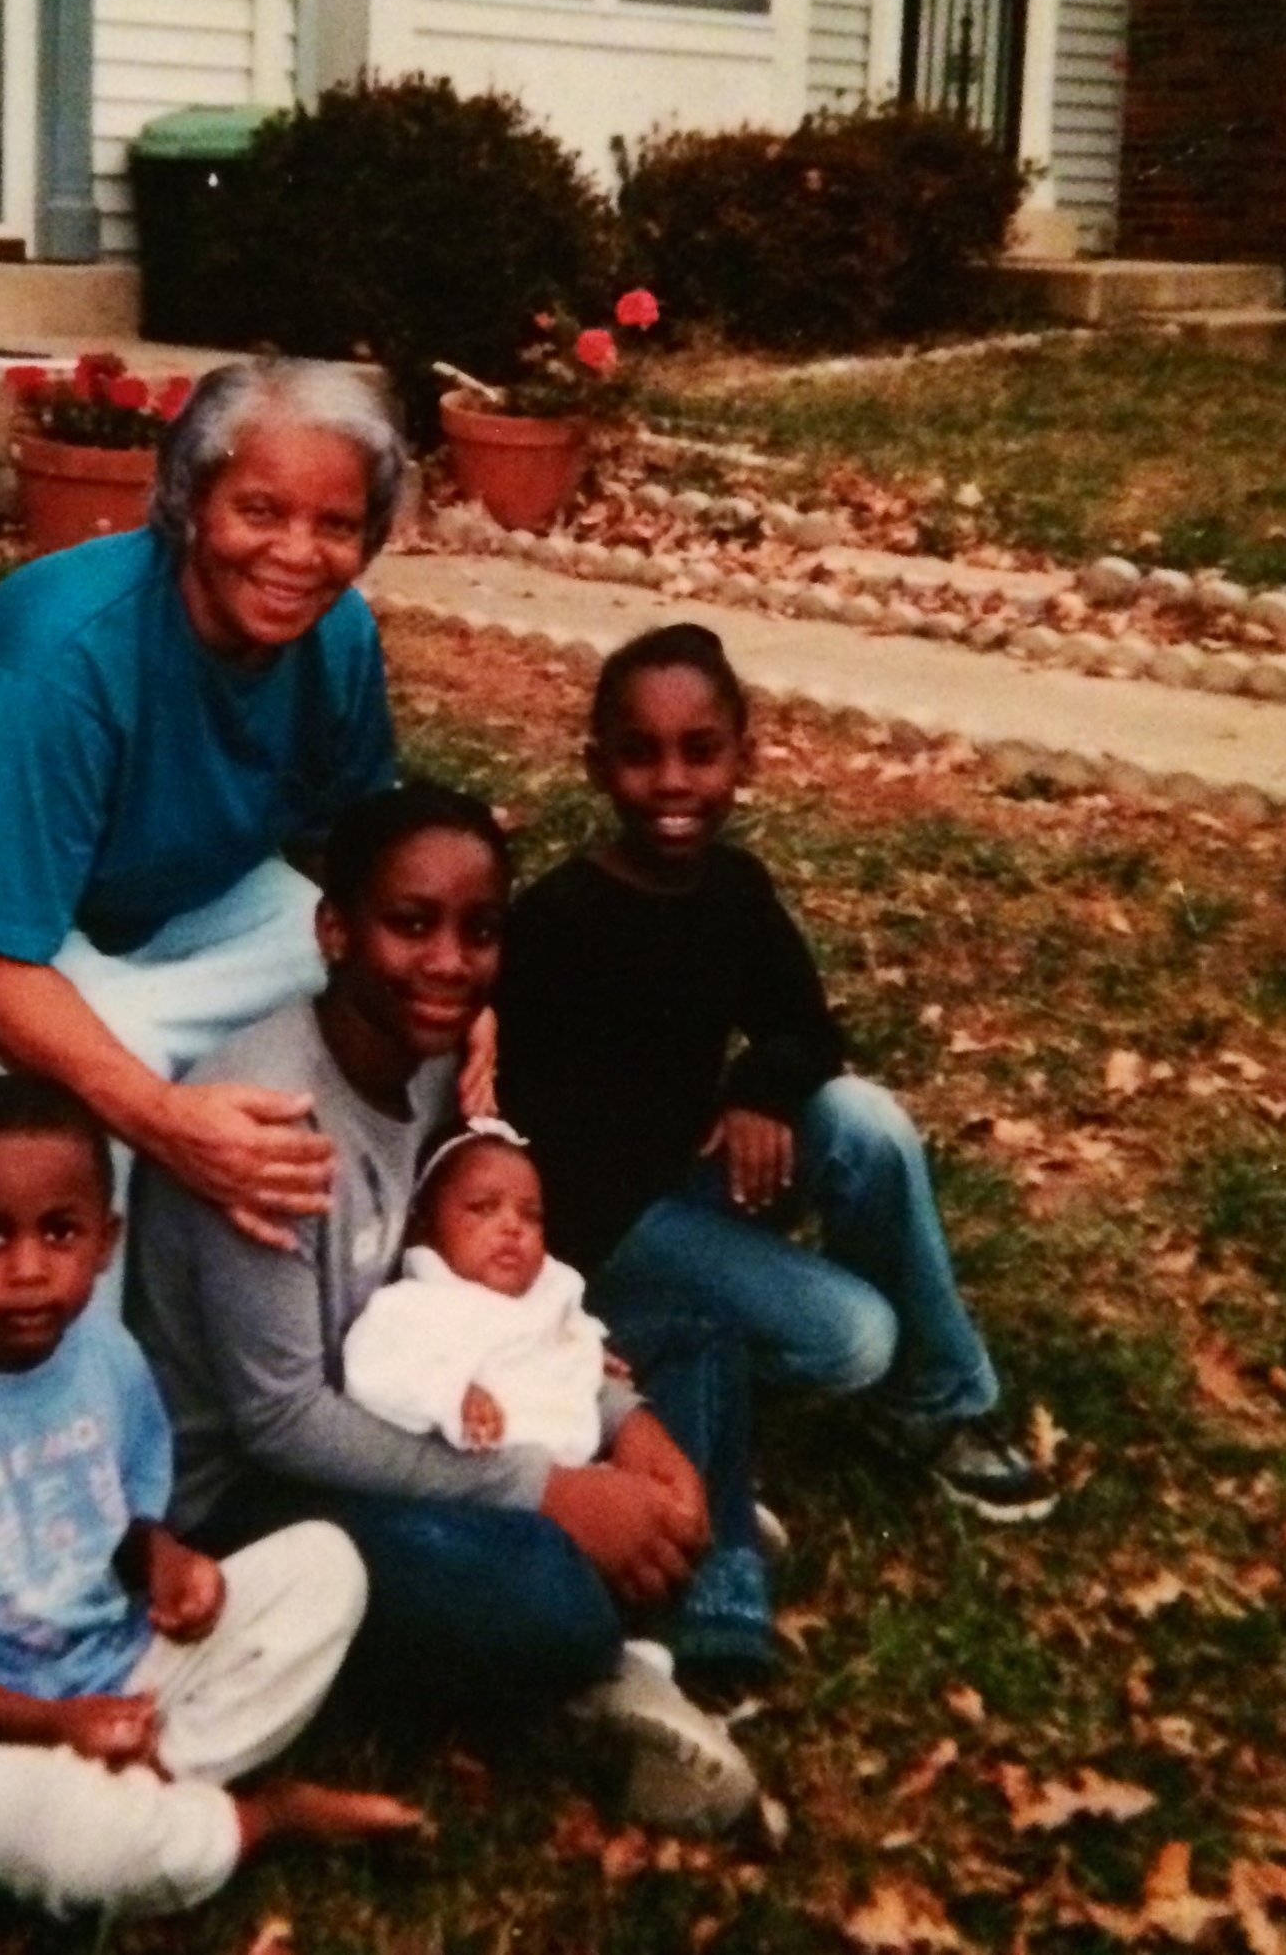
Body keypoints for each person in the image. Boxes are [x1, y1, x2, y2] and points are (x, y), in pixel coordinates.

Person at [127, 783, 764, 1831]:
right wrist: (544, 1491)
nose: (449, 963)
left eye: (479, 932)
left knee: (694, 1342)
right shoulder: (265, 1116)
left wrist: (624, 1424)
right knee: (543, 1589)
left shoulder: (424, 1060)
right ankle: (641, 1622)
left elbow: (433, 1288)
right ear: (334, 929)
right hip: (252, 1499)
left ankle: (680, 1574)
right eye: (410, 924)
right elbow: (279, 1420)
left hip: (417, 1390)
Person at [0, 360, 421, 1326]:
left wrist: (429, 973)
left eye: (336, 525)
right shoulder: (66, 655)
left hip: (148, 868)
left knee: (373, 989)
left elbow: (361, 846)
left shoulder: (338, 638)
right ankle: (88, 1381)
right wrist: (166, 1123)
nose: (298, 553)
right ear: (187, 504)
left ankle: (345, 1308)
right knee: (97, 1079)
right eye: (260, 511)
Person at [0, 1073, 422, 1921]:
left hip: (116, 1667)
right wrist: (58, 1727)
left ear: (106, 1241)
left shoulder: (106, 1355)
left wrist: (164, 1559)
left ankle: (157, 1775)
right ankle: (257, 1818)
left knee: (327, 1567)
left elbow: (124, 1516)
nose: (29, 1270)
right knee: (72, 1845)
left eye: (60, 1233)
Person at [496, 623, 1057, 1523]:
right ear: (597, 768)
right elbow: (524, 1133)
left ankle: (942, 1402)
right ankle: (647, 1363)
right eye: (641, 756)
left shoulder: (732, 890)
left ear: (743, 760)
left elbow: (805, 1028)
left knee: (861, 1120)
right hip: (601, 1235)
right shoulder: (560, 920)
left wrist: (760, 1091)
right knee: (856, 1338)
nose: (673, 783)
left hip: (691, 1180)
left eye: (701, 753)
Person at [341, 1119, 611, 1462]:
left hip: (567, 1470)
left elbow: (570, 1343)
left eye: (530, 1215)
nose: (512, 1226)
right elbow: (372, 1370)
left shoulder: (550, 1298)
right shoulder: (413, 1306)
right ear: (425, 1229)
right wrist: (452, 1396)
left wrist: (585, 1352)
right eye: (483, 1208)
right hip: (462, 1485)